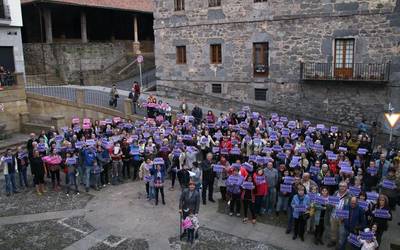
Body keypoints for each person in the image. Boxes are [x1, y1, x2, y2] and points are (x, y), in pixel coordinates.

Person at [327, 181, 350, 248]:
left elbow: (350, 208)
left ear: (346, 187)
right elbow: (330, 204)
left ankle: (340, 244)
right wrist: (330, 204)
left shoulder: (350, 196)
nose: (342, 187)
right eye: (340, 186)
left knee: (342, 232)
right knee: (333, 230)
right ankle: (333, 241)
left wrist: (345, 216)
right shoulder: (335, 193)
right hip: (334, 215)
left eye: (344, 186)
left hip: (342, 217)